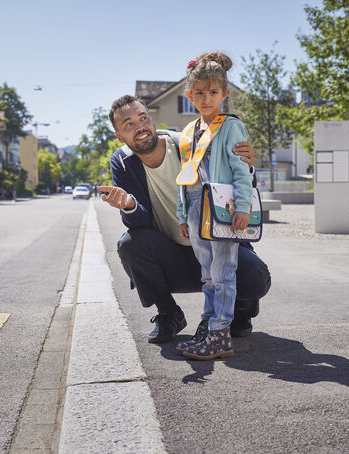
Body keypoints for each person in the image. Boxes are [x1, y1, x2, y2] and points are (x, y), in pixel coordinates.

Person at [100, 93, 271, 349]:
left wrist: (246, 165)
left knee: (256, 275)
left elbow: (233, 184)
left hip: (215, 248)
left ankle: (240, 311)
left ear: (151, 120)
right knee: (130, 244)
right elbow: (140, 222)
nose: (140, 127)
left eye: (143, 118)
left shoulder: (187, 144)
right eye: (129, 124)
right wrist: (129, 205)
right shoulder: (122, 162)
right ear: (119, 135)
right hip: (173, 256)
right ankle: (169, 314)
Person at [174, 51, 252, 360]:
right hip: (195, 206)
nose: (207, 98)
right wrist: (183, 214)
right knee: (207, 273)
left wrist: (243, 206)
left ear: (225, 93)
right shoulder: (188, 132)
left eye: (214, 92)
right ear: (190, 94)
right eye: (201, 93)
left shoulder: (230, 127)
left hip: (222, 207)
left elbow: (241, 170)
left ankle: (221, 334)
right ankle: (207, 326)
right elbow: (183, 175)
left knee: (223, 271)